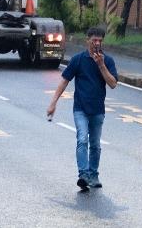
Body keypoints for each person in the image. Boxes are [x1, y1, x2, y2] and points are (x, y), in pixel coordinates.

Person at [46, 26, 118, 191]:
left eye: (100, 40)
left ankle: (93, 175)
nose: (97, 43)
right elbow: (64, 80)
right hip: (80, 109)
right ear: (88, 40)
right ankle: (83, 174)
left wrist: (101, 65)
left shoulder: (108, 61)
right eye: (94, 40)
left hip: (98, 110)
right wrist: (53, 103)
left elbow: (113, 84)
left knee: (95, 144)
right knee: (82, 140)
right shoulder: (78, 59)